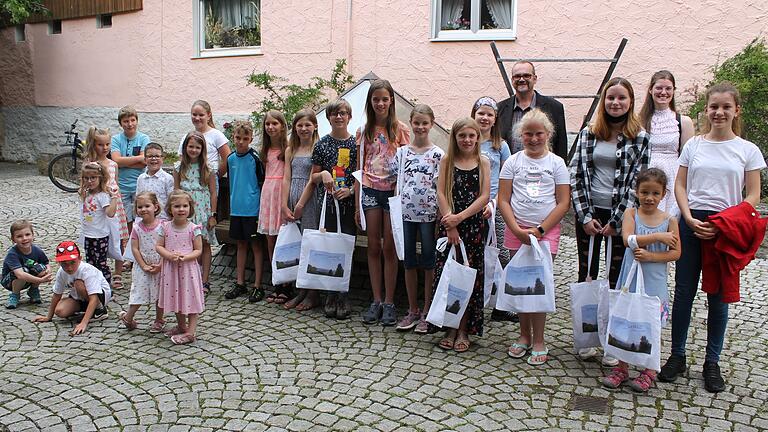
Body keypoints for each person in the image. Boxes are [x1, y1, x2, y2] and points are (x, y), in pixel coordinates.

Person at [659, 82, 765, 393]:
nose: (719, 112)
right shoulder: (694, 145)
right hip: (693, 223)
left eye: (725, 107)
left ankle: (712, 361)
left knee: (718, 297)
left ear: (736, 111)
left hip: (726, 226)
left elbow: (754, 195)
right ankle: (677, 356)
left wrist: (724, 222)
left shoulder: (747, 149)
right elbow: (680, 185)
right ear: (706, 109)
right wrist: (688, 216)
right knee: (684, 291)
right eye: (714, 106)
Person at [569, 77, 650, 365]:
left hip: (621, 217)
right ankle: (587, 336)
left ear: (631, 102)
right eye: (610, 98)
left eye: (622, 98)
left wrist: (618, 220)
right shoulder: (588, 134)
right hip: (590, 213)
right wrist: (585, 216)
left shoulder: (640, 137)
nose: (615, 103)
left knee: (616, 278)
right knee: (587, 273)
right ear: (604, 101)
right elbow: (575, 174)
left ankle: (612, 341)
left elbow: (638, 182)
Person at [498, 109, 570, 365]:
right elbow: (503, 199)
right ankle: (523, 335)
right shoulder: (513, 162)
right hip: (517, 231)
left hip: (545, 233)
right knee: (520, 286)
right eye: (528, 134)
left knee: (538, 287)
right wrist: (516, 228)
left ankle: (539, 339)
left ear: (548, 134)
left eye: (538, 133)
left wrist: (540, 230)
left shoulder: (556, 163)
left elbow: (562, 203)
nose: (533, 138)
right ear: (521, 136)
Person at [602, 168, 680, 392]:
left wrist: (652, 256)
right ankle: (622, 367)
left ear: (663, 194)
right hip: (630, 278)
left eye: (655, 193)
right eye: (645, 192)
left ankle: (648, 370)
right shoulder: (631, 214)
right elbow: (628, 240)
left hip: (654, 282)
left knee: (650, 325)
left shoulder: (669, 221)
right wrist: (656, 237)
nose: (649, 198)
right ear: (636, 192)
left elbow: (676, 253)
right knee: (625, 321)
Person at [432, 117, 490, 353]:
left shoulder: (482, 161)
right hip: (449, 227)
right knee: (449, 276)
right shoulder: (447, 160)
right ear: (454, 138)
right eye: (462, 136)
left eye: (471, 136)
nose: (467, 140)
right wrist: (450, 223)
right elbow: (441, 192)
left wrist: (461, 218)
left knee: (469, 278)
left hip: (472, 225)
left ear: (477, 138)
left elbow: (484, 196)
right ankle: (450, 327)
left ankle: (464, 328)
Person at [356, 79, 411, 326]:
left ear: (391, 101)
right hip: (369, 190)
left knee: (389, 246)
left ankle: (390, 301)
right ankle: (376, 299)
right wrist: (358, 200)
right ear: (370, 101)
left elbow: (408, 163)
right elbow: (359, 165)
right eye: (375, 99)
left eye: (384, 99)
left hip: (393, 192)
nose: (380, 103)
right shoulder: (364, 130)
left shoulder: (400, 129)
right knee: (373, 246)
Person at [393, 104, 444, 333]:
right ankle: (412, 309)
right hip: (406, 213)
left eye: (425, 123)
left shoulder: (438, 155)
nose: (421, 127)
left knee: (429, 261)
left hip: (429, 215)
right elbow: (391, 176)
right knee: (410, 261)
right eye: (417, 123)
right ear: (411, 123)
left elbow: (441, 187)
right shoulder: (403, 152)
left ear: (431, 124)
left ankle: (427, 308)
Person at [311, 99, 358, 320]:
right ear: (328, 118)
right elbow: (313, 176)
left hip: (349, 205)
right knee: (329, 248)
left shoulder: (356, 144)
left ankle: (343, 293)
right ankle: (330, 293)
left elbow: (361, 174)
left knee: (346, 247)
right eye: (334, 114)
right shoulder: (321, 144)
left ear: (349, 116)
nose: (339, 117)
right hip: (327, 206)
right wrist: (323, 175)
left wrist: (350, 189)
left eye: (343, 113)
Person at [472, 96, 516, 323]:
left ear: (495, 118)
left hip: (494, 207)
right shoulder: (468, 141)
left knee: (501, 252)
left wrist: (495, 203)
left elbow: (506, 179)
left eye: (489, 114)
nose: (485, 118)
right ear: (474, 115)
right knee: (475, 253)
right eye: (481, 113)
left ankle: (503, 303)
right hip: (471, 206)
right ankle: (476, 300)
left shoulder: (501, 146)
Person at [638, 71, 695, 216]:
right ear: (651, 90)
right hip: (646, 176)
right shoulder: (638, 121)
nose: (663, 92)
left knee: (670, 221)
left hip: (673, 177)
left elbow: (689, 159)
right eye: (659, 88)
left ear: (673, 91)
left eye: (668, 88)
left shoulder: (684, 122)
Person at [281, 109, 321, 311]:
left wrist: (301, 204)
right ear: (294, 128)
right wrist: (284, 204)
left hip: (309, 201)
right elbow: (286, 178)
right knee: (297, 245)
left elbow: (313, 180)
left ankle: (312, 293)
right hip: (292, 200)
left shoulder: (317, 148)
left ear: (314, 126)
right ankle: (301, 290)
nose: (304, 129)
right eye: (300, 125)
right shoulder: (291, 149)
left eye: (307, 125)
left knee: (309, 244)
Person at [223, 120, 266, 303]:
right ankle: (240, 282)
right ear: (233, 137)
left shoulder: (254, 158)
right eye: (238, 138)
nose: (241, 142)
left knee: (256, 246)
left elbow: (261, 182)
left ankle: (258, 285)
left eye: (245, 138)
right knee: (240, 245)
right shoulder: (231, 158)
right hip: (236, 210)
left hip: (252, 210)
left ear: (251, 139)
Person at [156, 190, 205, 345]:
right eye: (177, 206)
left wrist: (186, 257)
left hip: (188, 269)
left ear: (190, 208)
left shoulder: (193, 228)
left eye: (185, 206)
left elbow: (198, 250)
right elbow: (158, 246)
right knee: (176, 296)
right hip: (171, 269)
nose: (181, 209)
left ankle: (190, 331)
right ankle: (181, 325)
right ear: (170, 209)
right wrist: (169, 255)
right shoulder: (164, 227)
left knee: (190, 297)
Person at [32, 241, 111, 336]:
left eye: (73, 263)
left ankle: (100, 310)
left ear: (80, 258)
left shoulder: (86, 270)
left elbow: (93, 298)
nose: (69, 268)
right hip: (79, 297)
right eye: (64, 264)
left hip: (99, 297)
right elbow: (57, 294)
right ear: (59, 263)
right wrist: (49, 317)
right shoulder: (61, 272)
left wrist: (83, 323)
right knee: (60, 311)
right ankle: (86, 309)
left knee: (78, 283)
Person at [174, 132, 218, 295]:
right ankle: (188, 278)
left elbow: (213, 192)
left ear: (202, 149)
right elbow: (176, 191)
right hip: (185, 210)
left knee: (204, 244)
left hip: (203, 210)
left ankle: (205, 280)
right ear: (185, 147)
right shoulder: (179, 168)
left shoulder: (208, 168)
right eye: (191, 146)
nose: (193, 150)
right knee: (186, 244)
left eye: (197, 147)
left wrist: (213, 214)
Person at [497, 61, 568, 160]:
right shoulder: (500, 109)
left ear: (534, 79)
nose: (521, 79)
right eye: (517, 76)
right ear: (512, 80)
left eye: (526, 76)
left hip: (543, 172)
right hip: (509, 173)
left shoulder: (554, 107)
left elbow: (561, 146)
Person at [86, 126, 127, 288]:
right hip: (98, 209)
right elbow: (85, 185)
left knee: (119, 238)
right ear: (93, 145)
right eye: (100, 145)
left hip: (115, 206)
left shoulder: (113, 164)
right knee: (98, 238)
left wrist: (116, 196)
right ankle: (98, 269)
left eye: (107, 144)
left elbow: (116, 182)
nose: (105, 148)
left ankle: (118, 273)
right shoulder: (90, 164)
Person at [118, 192, 166, 332]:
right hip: (141, 265)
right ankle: (128, 317)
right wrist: (143, 265)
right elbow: (135, 249)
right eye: (140, 207)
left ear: (155, 207)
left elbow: (166, 246)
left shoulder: (163, 226)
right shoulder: (136, 228)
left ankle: (159, 319)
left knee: (160, 293)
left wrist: (161, 264)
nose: (143, 209)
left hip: (159, 263)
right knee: (138, 290)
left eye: (147, 206)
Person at [257, 111, 290, 304]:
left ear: (282, 126)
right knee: (270, 240)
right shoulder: (265, 151)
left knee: (283, 239)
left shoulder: (287, 149)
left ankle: (287, 284)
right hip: (268, 194)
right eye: (267, 124)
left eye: (274, 123)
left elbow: (287, 176)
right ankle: (276, 280)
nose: (270, 127)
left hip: (281, 194)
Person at [110, 105, 151, 235]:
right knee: (126, 217)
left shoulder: (143, 138)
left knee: (141, 215)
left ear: (137, 121)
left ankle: (140, 241)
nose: (130, 124)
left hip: (139, 184)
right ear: (121, 123)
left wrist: (123, 162)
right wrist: (137, 159)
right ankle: (128, 244)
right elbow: (116, 160)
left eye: (132, 120)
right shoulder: (116, 139)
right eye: (126, 121)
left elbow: (145, 161)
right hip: (122, 185)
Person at [79, 162, 120, 286]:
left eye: (93, 178)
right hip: (88, 234)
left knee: (101, 263)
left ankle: (105, 286)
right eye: (87, 178)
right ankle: (93, 285)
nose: (90, 181)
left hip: (100, 235)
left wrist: (114, 198)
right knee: (90, 263)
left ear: (100, 178)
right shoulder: (86, 194)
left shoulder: (102, 196)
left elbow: (110, 213)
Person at [2, 220, 52, 309]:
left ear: (33, 235)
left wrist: (48, 271)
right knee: (23, 271)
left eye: (27, 235)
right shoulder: (12, 254)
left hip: (28, 278)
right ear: (13, 239)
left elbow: (46, 263)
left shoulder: (37, 250)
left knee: (42, 268)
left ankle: (33, 290)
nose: (24, 238)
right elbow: (20, 274)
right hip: (10, 281)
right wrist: (40, 280)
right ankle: (15, 295)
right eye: (19, 236)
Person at [177, 100, 231, 177]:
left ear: (209, 116)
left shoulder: (217, 135)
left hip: (209, 182)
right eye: (194, 114)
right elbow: (182, 160)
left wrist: (216, 176)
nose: (197, 118)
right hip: (190, 182)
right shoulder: (186, 137)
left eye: (201, 115)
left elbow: (228, 159)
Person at [136, 143, 174, 220]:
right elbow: (138, 199)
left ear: (162, 158)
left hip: (162, 219)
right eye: (150, 156)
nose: (154, 159)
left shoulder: (168, 178)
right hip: (145, 219)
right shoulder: (141, 178)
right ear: (145, 159)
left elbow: (171, 201)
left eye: (157, 156)